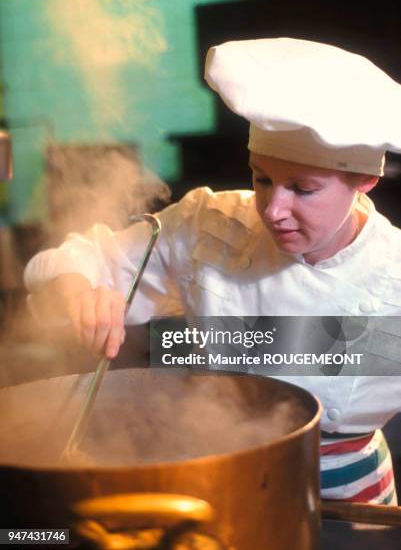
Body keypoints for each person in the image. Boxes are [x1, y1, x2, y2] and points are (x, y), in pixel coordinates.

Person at [24, 38, 401, 505]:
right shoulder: (210, 226)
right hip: (224, 469)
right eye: (261, 178)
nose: (274, 210)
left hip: (344, 494)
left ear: (364, 182)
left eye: (303, 189)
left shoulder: (394, 277)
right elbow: (86, 258)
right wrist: (80, 291)